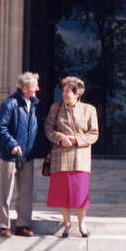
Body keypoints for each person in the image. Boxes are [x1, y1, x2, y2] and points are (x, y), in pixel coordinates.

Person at [45, 76, 99, 238]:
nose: (64, 94)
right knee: (62, 193)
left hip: (80, 157)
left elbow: (94, 134)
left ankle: (82, 224)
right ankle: (67, 223)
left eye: (68, 92)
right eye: (63, 91)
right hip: (60, 156)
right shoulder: (55, 108)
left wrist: (76, 140)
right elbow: (48, 129)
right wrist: (60, 137)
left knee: (80, 192)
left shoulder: (89, 109)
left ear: (78, 94)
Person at [0, 72, 40, 237]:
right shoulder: (10, 104)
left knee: (26, 192)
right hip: (11, 155)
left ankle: (23, 224)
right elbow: (0, 129)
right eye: (35, 86)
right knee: (6, 191)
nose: (38, 89)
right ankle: (4, 225)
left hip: (27, 155)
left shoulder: (32, 104)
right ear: (26, 88)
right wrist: (12, 145)